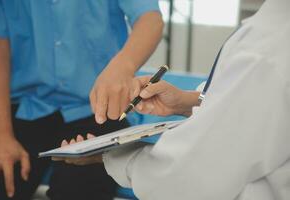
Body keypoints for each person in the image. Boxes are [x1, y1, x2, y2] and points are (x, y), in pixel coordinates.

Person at [57, 0, 290, 199]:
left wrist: (109, 155)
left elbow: (194, 174)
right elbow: (257, 112)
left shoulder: (266, 52)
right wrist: (189, 101)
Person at [0, 1, 163, 200]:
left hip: (98, 108)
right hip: (23, 107)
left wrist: (122, 66)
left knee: (80, 189)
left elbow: (150, 18)